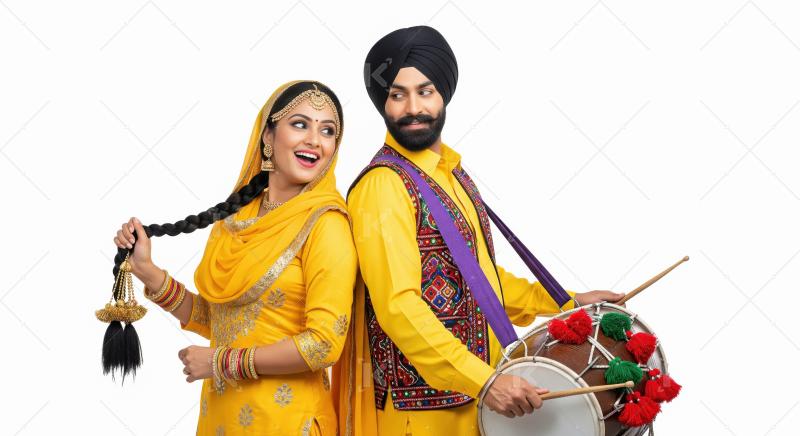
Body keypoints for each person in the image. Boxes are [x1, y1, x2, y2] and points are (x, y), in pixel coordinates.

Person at [334, 26, 625, 436]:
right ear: (383, 103)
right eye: (397, 95)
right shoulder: (384, 185)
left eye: (425, 91)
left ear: (444, 94)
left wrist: (567, 300)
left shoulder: (452, 174)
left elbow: (478, 278)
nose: (413, 107)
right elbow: (399, 308)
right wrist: (484, 381)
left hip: (478, 398)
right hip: (423, 415)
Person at [112, 81, 357, 436]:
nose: (315, 140)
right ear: (268, 136)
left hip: (290, 423)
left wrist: (221, 361)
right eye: (300, 124)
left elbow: (323, 345)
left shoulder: (326, 224)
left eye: (328, 131)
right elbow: (221, 321)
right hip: (221, 419)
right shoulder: (237, 219)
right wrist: (148, 272)